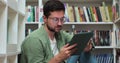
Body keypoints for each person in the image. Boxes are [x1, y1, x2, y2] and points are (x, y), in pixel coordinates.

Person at [20, 0, 94, 63]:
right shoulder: (34, 40)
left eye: (62, 19)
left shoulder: (59, 33)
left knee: (84, 52)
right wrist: (59, 58)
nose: (60, 23)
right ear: (45, 19)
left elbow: (78, 41)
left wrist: (87, 46)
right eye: (55, 19)